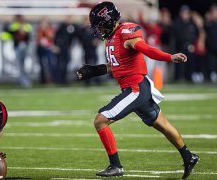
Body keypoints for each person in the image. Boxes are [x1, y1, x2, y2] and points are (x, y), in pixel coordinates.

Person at [77, 2, 199, 179]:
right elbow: (117, 66)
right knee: (162, 124)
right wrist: (94, 70)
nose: (99, 30)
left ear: (109, 21)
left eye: (100, 25)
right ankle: (189, 156)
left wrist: (169, 57)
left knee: (100, 120)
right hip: (136, 89)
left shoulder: (127, 32)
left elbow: (146, 49)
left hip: (136, 89)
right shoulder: (112, 37)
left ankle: (115, 165)